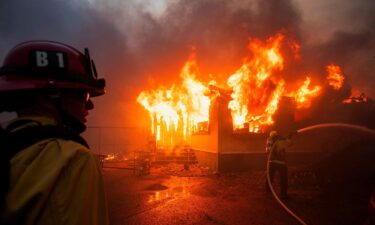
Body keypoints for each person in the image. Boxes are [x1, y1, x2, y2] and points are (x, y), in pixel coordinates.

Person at [0, 41, 109, 224]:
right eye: (83, 95)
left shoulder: (11, 148)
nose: (90, 105)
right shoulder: (73, 159)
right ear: (48, 97)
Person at [265, 130, 296, 199]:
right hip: (280, 162)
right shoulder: (278, 142)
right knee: (284, 178)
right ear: (276, 136)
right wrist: (290, 136)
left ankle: (267, 190)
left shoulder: (268, 141)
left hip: (271, 162)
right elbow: (289, 143)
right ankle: (283, 194)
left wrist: (284, 138)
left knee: (270, 177)